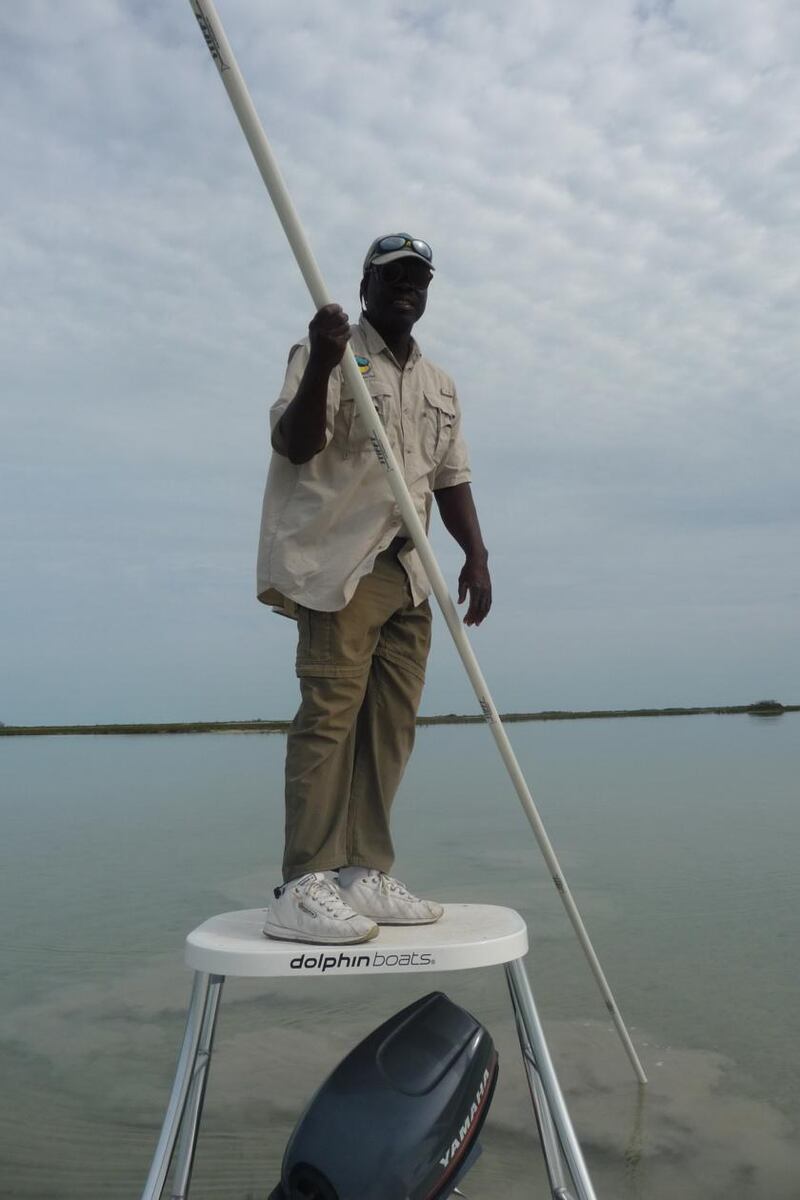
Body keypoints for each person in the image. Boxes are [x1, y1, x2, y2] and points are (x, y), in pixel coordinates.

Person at [257, 233, 492, 944]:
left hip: (409, 572)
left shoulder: (440, 382)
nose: (406, 288)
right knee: (330, 717)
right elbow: (295, 444)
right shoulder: (330, 351)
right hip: (340, 566)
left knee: (390, 727)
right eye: (392, 277)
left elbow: (449, 478)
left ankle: (364, 871)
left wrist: (476, 557)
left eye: (417, 279)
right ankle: (305, 882)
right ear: (366, 285)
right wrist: (325, 359)